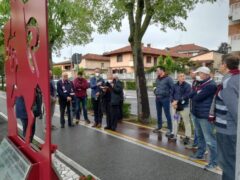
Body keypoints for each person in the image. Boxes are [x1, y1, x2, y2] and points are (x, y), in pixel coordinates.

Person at [213, 53, 239, 180]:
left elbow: (235, 111)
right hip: (231, 129)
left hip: (227, 130)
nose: (218, 66)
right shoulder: (236, 78)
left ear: (225, 65)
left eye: (220, 64)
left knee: (228, 164)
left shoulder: (229, 82)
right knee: (233, 162)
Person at [189, 66, 217, 170]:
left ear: (205, 74)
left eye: (199, 73)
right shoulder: (200, 83)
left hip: (205, 116)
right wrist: (195, 93)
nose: (197, 76)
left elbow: (197, 98)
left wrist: (195, 93)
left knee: (210, 140)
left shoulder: (211, 85)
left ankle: (214, 162)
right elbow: (192, 94)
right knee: (200, 136)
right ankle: (200, 154)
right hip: (197, 113)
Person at [170, 73, 191, 145]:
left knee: (186, 122)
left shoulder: (187, 86)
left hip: (184, 106)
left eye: (183, 76)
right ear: (178, 78)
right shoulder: (174, 85)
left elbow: (186, 96)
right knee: (175, 121)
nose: (182, 77)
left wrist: (177, 101)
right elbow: (171, 94)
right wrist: (173, 102)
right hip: (175, 107)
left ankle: (187, 137)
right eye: (181, 76)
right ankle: (174, 135)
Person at [153, 66, 174, 137]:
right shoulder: (157, 79)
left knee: (167, 114)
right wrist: (155, 92)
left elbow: (173, 89)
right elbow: (156, 87)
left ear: (162, 71)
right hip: (157, 98)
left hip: (165, 99)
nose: (156, 72)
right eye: (156, 71)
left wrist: (170, 97)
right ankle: (159, 126)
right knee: (158, 113)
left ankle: (170, 129)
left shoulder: (168, 78)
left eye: (157, 70)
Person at [185, 68, 199, 149]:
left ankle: (198, 145)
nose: (190, 75)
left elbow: (195, 95)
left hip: (198, 109)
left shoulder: (199, 82)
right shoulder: (194, 82)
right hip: (193, 107)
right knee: (196, 128)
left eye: (191, 73)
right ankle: (196, 143)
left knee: (198, 128)